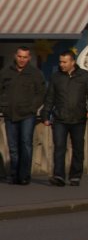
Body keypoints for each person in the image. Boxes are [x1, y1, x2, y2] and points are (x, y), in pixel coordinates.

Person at [42, 51, 88, 186]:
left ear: (72, 62)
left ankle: (75, 176)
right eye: (60, 62)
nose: (61, 64)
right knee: (59, 147)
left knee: (78, 148)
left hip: (78, 118)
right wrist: (45, 115)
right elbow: (50, 97)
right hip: (60, 118)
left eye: (64, 62)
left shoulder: (85, 76)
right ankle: (59, 176)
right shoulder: (56, 77)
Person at [0, 46, 46, 185]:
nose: (22, 60)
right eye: (20, 57)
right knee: (13, 146)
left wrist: (33, 108)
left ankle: (24, 175)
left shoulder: (35, 73)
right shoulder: (6, 72)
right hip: (10, 113)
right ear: (15, 56)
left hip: (27, 114)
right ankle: (14, 174)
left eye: (25, 57)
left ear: (29, 58)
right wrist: (3, 105)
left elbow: (41, 93)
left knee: (26, 144)